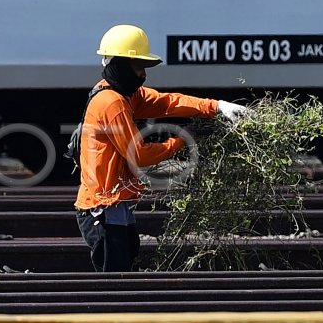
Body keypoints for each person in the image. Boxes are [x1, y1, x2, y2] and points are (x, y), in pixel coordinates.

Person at [74, 24, 245, 271]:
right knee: (114, 280)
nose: (143, 74)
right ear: (120, 65)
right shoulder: (111, 102)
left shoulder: (125, 95)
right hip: (102, 208)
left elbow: (168, 102)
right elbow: (139, 155)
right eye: (138, 66)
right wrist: (182, 140)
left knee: (124, 264)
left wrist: (216, 106)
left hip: (114, 205)